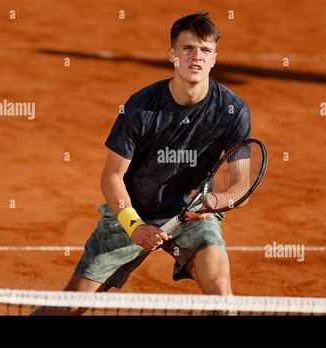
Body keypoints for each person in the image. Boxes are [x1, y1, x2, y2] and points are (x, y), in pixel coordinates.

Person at [34, 12, 251, 315]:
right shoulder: (141, 106)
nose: (196, 57)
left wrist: (213, 201)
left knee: (222, 301)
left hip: (193, 217)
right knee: (67, 308)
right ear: (172, 55)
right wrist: (134, 225)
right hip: (133, 211)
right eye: (188, 48)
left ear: (215, 59)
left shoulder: (232, 110)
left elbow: (241, 185)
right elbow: (112, 176)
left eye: (205, 50)